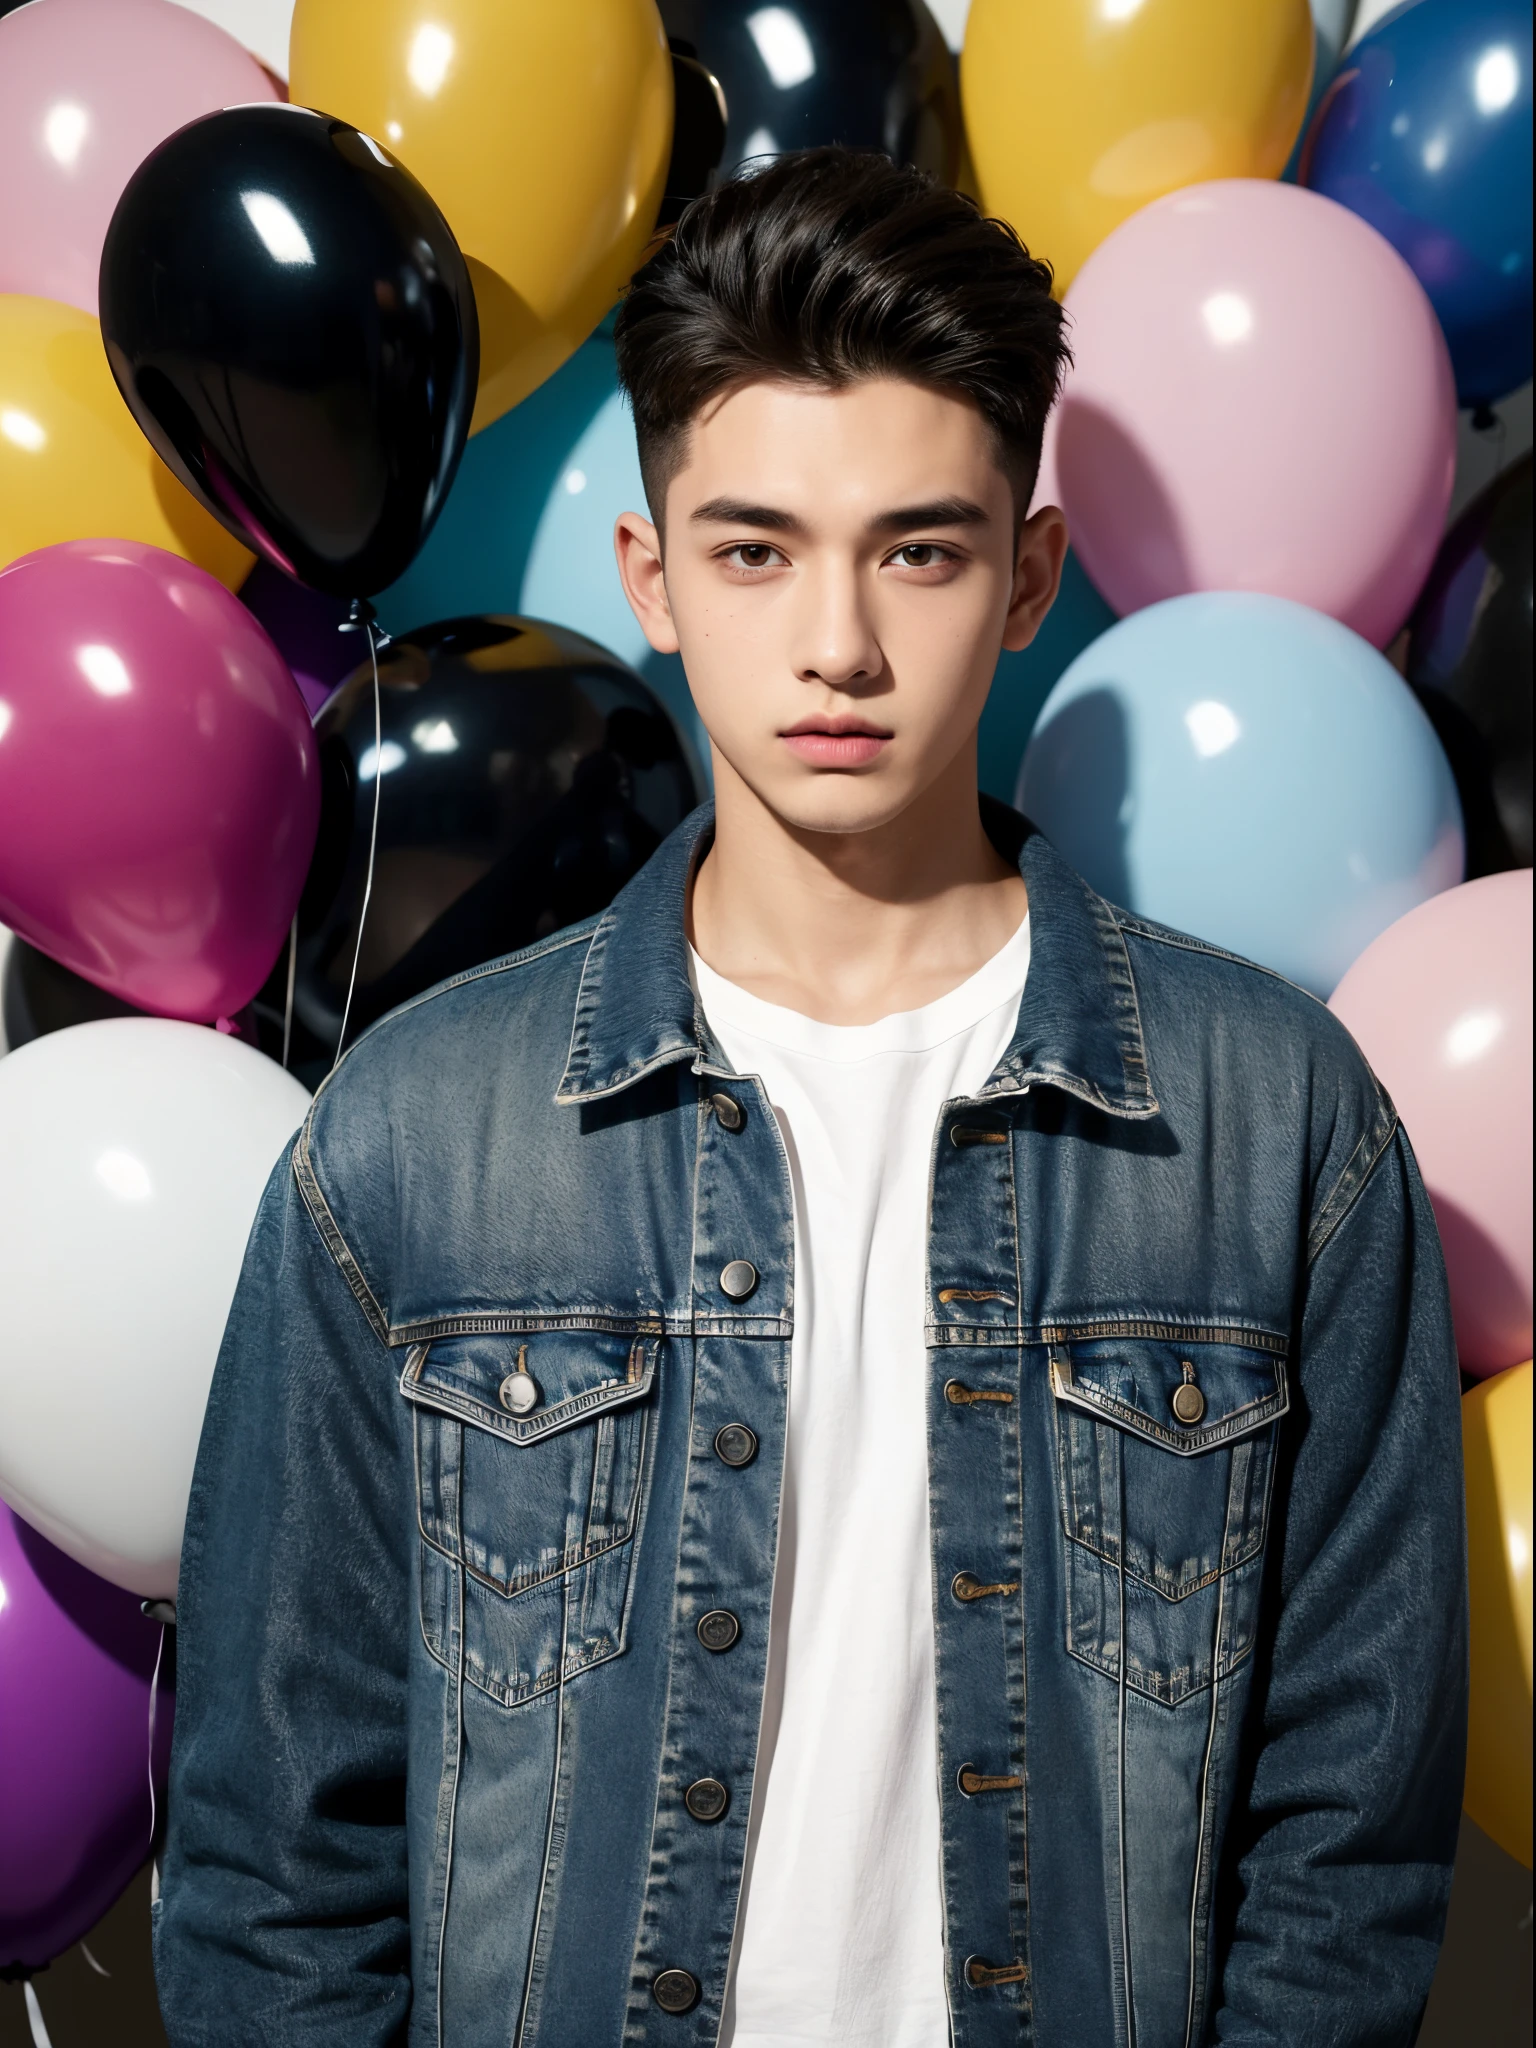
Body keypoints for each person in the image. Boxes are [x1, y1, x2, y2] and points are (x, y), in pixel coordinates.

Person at [155, 148, 1467, 2048]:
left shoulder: (1277, 1133)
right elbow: (279, 1866)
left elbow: (1345, 1865)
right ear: (655, 579)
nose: (837, 645)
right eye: (756, 549)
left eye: (917, 551)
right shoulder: (416, 1141)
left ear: (1026, 580)